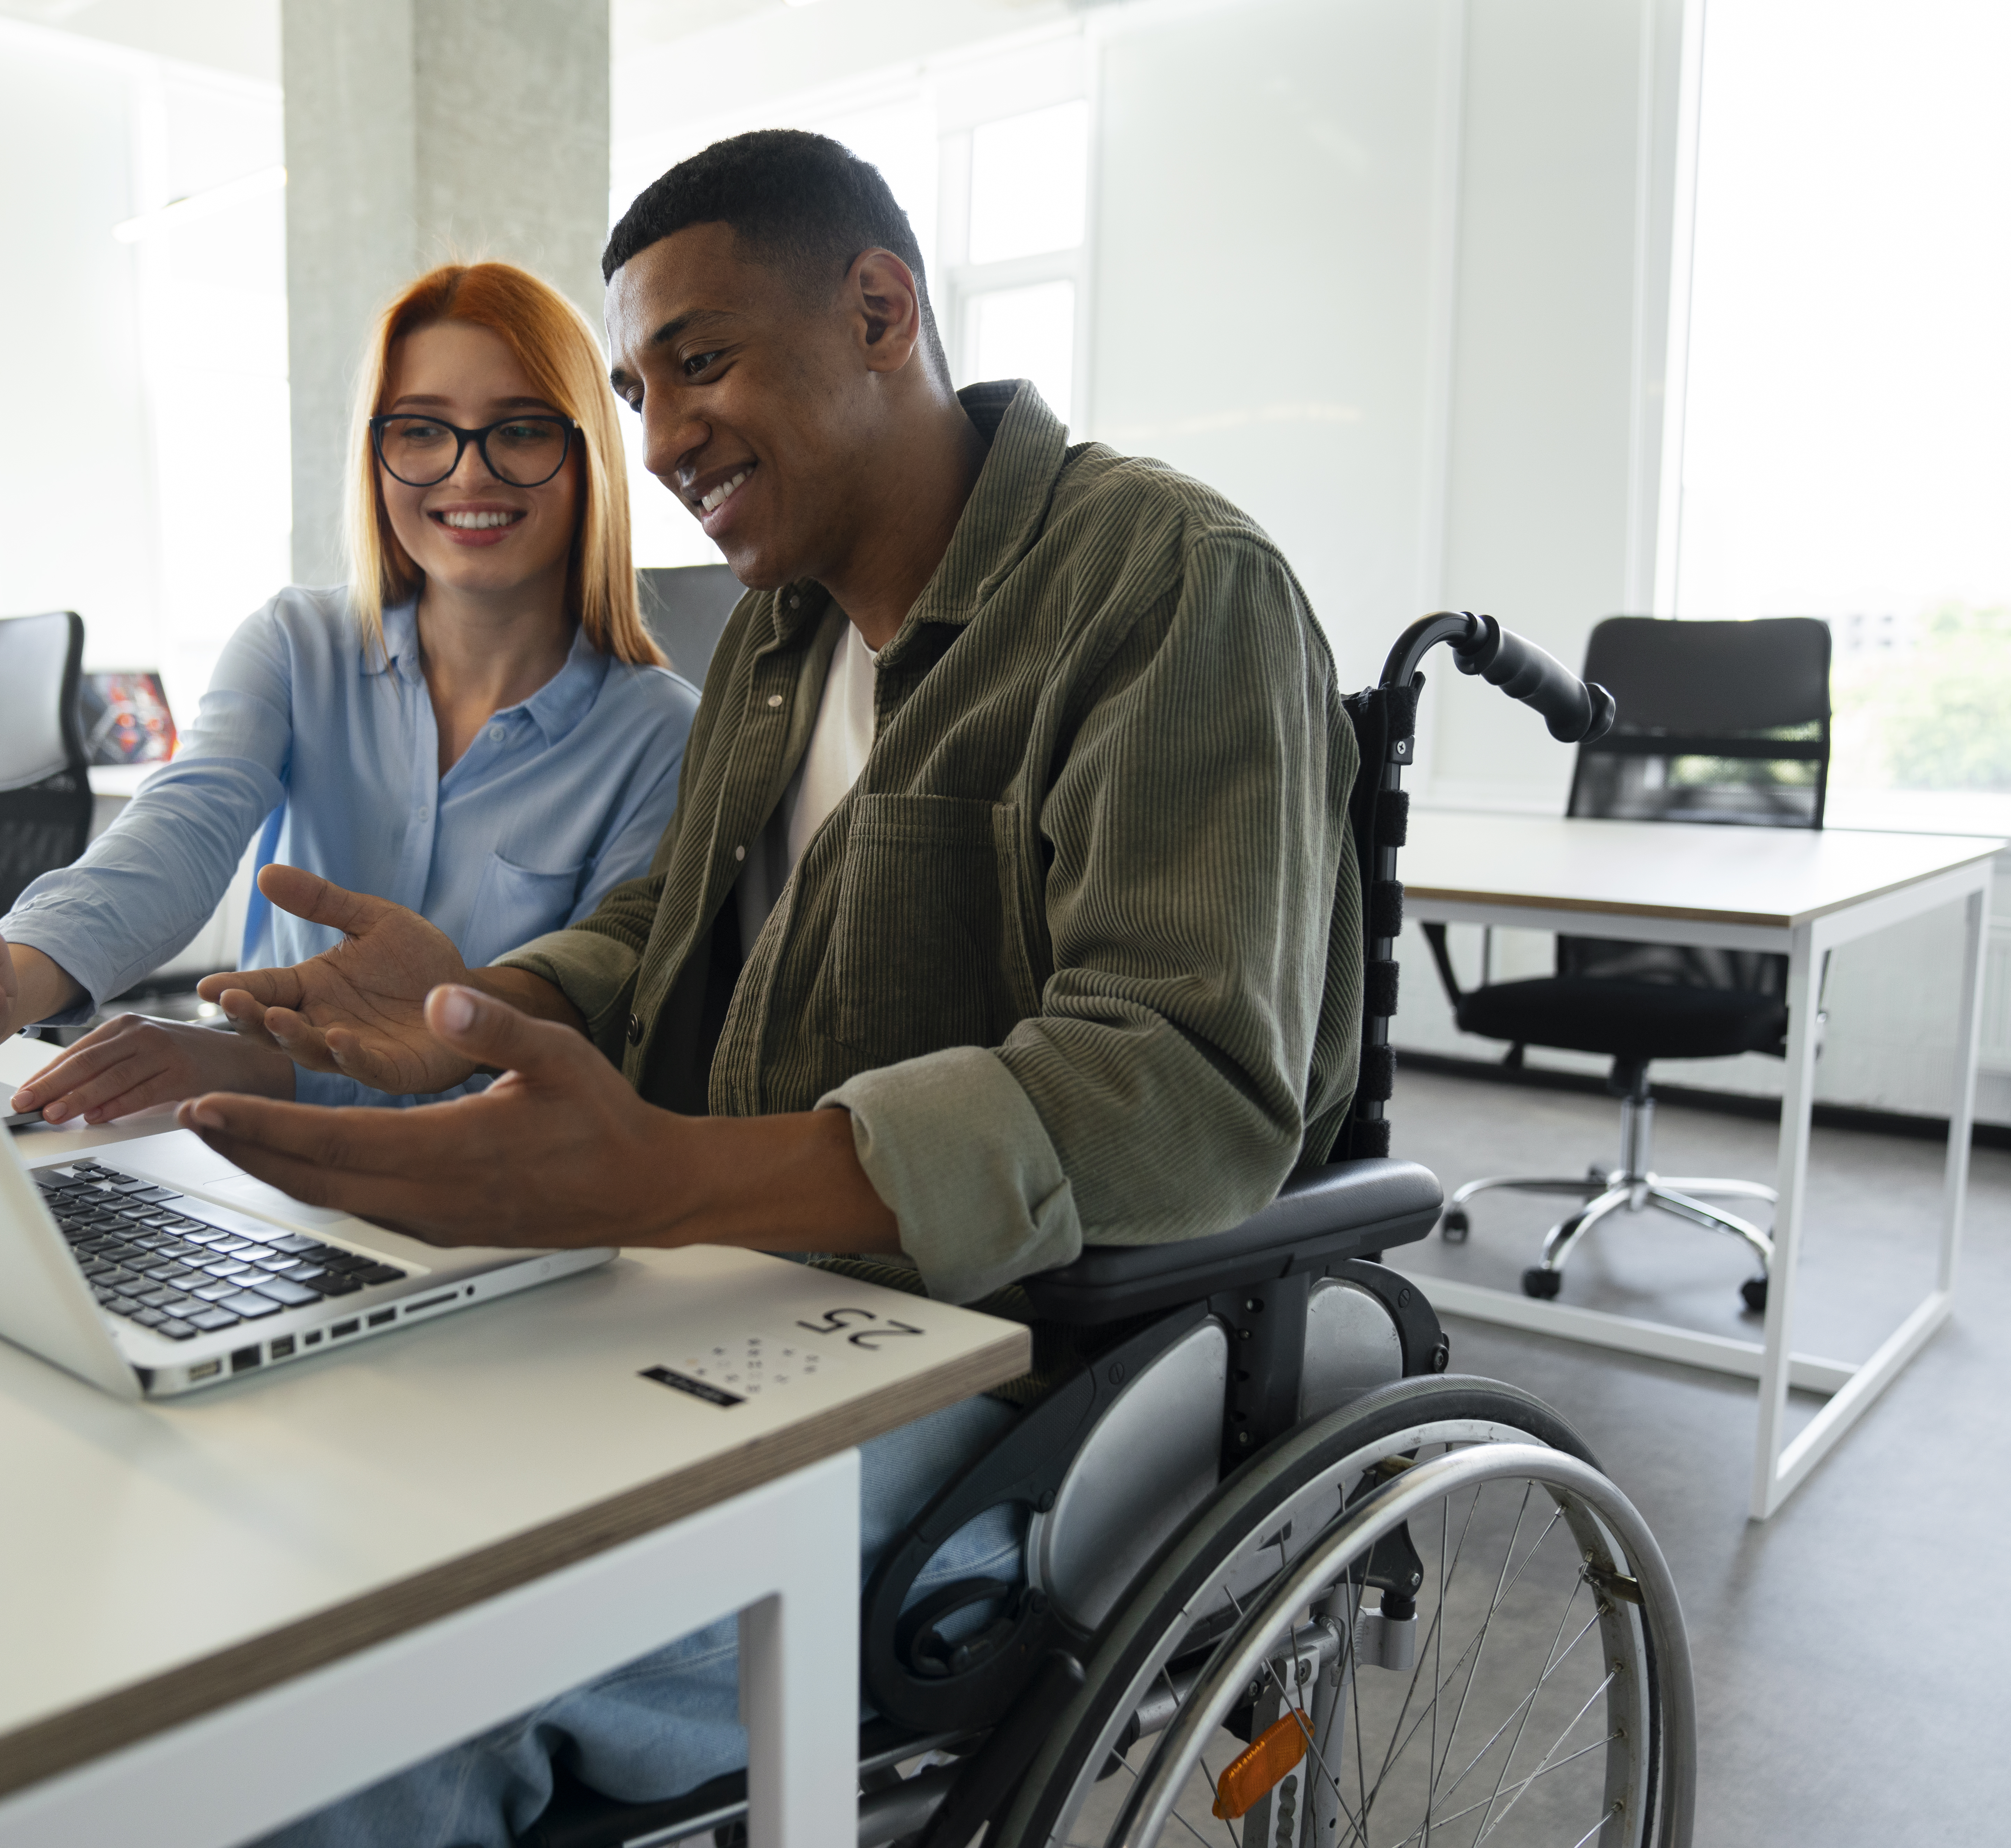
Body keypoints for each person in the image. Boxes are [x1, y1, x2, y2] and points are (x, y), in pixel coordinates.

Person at [210, 131, 1363, 1846]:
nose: (658, 439)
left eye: (701, 361)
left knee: (393, 1703)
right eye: (635, 390)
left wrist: (673, 1180)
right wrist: (483, 1001)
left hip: (1017, 1382)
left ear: (880, 312)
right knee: (299, 1541)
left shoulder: (1166, 579)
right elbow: (664, 924)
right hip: (740, 1309)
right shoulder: (776, 627)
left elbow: (1177, 1083)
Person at [0, 263, 697, 1119]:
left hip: (476, 1177)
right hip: (253, 1165)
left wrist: (262, 1069)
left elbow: (583, 1041)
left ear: (586, 454)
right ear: (377, 454)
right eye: (422, 430)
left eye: (521, 430)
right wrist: (6, 982)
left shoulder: (661, 737)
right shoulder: (296, 645)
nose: (469, 474)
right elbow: (177, 837)